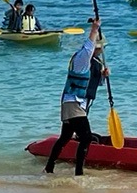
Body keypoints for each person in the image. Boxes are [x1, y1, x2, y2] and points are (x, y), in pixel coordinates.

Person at [43, 21, 105, 175]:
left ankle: (49, 168)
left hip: (77, 103)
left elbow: (93, 83)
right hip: (73, 102)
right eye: (101, 47)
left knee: (65, 137)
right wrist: (94, 29)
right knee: (86, 137)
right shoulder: (82, 59)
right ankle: (79, 173)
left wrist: (103, 75)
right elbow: (88, 46)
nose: (102, 49)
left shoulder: (95, 62)